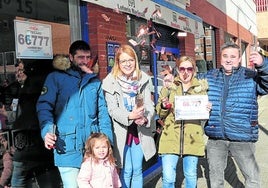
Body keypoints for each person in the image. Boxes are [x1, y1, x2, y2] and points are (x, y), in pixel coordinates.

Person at [36, 40, 113, 188]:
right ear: (71, 57)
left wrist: (107, 142)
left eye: (87, 57)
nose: (85, 61)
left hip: (93, 148)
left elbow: (103, 113)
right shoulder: (55, 78)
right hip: (67, 147)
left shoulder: (94, 82)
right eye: (80, 57)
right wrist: (47, 132)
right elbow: (44, 106)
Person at [200, 42, 268, 188]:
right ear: (220, 58)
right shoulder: (210, 76)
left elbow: (266, 85)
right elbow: (190, 85)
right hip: (216, 136)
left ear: (239, 59)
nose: (228, 59)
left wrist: (263, 65)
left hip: (242, 136)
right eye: (225, 56)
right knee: (215, 178)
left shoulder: (250, 76)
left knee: (252, 177)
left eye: (233, 56)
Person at [102, 44, 156, 188]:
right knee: (126, 170)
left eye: (130, 60)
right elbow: (112, 110)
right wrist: (130, 116)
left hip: (139, 131)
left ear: (135, 61)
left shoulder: (143, 79)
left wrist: (145, 118)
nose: (127, 64)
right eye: (123, 61)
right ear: (118, 63)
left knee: (137, 170)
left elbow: (150, 105)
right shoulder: (110, 82)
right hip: (121, 132)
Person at [155, 56, 208, 188]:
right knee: (168, 177)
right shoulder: (169, 88)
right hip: (170, 137)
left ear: (194, 70)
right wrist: (163, 106)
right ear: (177, 70)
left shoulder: (201, 89)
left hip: (192, 138)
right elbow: (160, 114)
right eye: (182, 68)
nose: (185, 72)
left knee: (190, 175)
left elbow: (205, 116)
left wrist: (208, 109)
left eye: (189, 68)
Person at [10, 60, 55, 188]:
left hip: (28, 143)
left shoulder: (31, 86)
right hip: (39, 144)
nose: (20, 73)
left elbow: (24, 115)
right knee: (46, 180)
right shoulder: (47, 83)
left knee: (19, 180)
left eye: (21, 70)